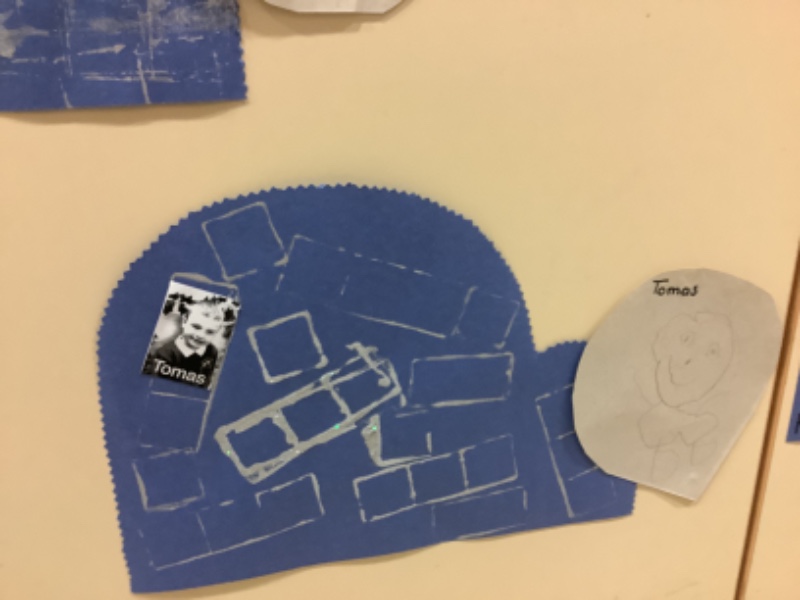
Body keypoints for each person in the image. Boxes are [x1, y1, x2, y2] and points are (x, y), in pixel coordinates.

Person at [145, 300, 224, 388]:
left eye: (210, 332)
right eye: (196, 327)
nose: (201, 335)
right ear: (184, 321)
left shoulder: (212, 351)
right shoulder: (164, 354)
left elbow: (206, 380)